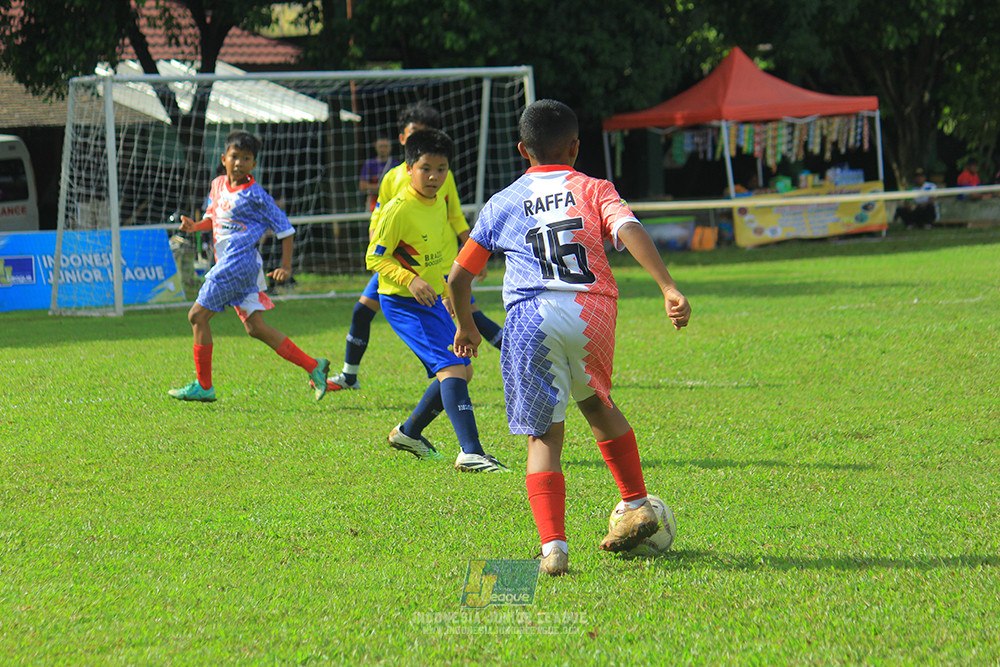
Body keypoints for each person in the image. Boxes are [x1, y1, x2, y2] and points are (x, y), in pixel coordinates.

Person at [448, 100, 691, 575]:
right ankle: (636, 501)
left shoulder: (504, 201)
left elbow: (458, 279)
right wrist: (668, 286)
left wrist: (466, 325)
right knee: (597, 404)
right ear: (576, 147)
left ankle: (554, 549)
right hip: (591, 311)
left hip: (529, 316)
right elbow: (629, 228)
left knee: (544, 437)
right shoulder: (594, 187)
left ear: (522, 149)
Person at [321, 102, 503, 393]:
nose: (433, 174)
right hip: (395, 264)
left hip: (436, 263)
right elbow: (380, 214)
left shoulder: (443, 174)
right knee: (362, 311)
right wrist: (376, 241)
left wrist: (473, 254)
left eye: (426, 133)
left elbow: (455, 215)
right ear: (403, 138)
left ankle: (510, 355)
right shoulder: (393, 177)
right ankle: (350, 375)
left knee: (469, 315)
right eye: (414, 133)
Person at [368, 128, 508, 473]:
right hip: (403, 302)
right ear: (409, 166)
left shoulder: (438, 199)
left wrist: (447, 290)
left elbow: (434, 253)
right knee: (452, 368)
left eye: (441, 168)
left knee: (464, 369)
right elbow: (374, 257)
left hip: (434, 300)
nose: (434, 176)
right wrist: (410, 279)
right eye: (426, 168)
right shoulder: (398, 209)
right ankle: (471, 452)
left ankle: (409, 432)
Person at [168, 130, 330, 403]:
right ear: (224, 158)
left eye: (246, 158)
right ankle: (314, 366)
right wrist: (194, 227)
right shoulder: (217, 184)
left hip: (237, 265)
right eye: (235, 157)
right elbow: (214, 219)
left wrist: (286, 267)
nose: (240, 163)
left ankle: (204, 386)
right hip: (238, 268)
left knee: (197, 316)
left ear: (254, 164)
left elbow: (286, 230)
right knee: (255, 328)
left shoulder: (256, 195)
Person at [359, 137, 398, 211]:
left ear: (390, 147)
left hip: (392, 202)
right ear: (376, 147)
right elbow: (362, 186)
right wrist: (385, 188)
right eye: (380, 146)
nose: (383, 149)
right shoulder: (369, 164)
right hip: (375, 203)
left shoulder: (396, 165)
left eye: (385, 147)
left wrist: (375, 188)